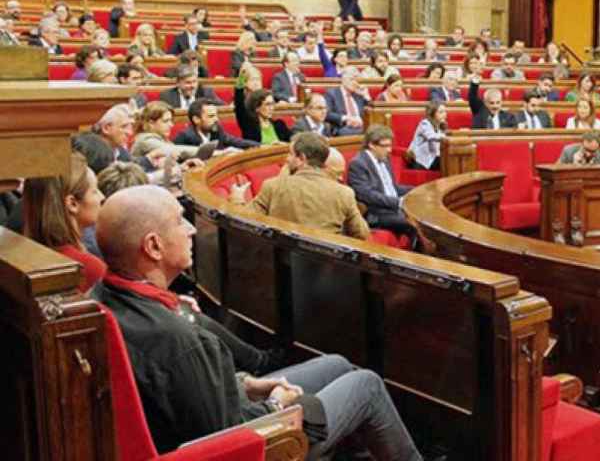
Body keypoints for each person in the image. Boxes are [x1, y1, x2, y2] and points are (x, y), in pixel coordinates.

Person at [94, 185, 421, 458]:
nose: (192, 229)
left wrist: (248, 384)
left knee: (336, 365)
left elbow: (192, 393)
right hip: (253, 442)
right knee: (366, 385)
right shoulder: (175, 338)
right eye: (180, 221)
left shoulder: (102, 296)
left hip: (228, 409)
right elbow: (221, 437)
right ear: (153, 246)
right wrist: (277, 403)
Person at [230, 132, 370, 239]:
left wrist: (237, 200)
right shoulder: (344, 193)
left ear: (301, 158)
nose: (287, 159)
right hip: (328, 270)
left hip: (281, 266)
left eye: (290, 154)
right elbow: (362, 233)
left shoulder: (272, 186)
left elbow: (243, 222)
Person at [22, 152, 106, 292]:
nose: (102, 197)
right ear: (72, 203)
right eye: (95, 191)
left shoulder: (22, 255)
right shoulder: (89, 268)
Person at [347, 126, 419, 245]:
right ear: (371, 145)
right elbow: (367, 196)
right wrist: (398, 202)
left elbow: (392, 187)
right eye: (385, 146)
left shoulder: (384, 159)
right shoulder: (358, 164)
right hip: (376, 213)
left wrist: (415, 191)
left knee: (423, 218)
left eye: (390, 145)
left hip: (392, 208)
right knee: (414, 224)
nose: (389, 150)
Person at [235, 64, 292, 145]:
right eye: (267, 104)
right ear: (257, 107)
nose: (271, 108)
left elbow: (293, 144)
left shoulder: (279, 125)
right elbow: (239, 102)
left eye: (272, 104)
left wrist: (283, 145)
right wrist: (241, 77)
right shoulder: (249, 125)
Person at [174, 98, 258, 149]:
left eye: (216, 115)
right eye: (211, 116)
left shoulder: (216, 129)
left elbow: (235, 141)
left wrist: (259, 145)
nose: (216, 119)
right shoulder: (185, 137)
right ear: (196, 119)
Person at [131, 101, 200, 161]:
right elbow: (173, 151)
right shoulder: (145, 139)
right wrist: (203, 150)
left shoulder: (160, 137)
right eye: (165, 121)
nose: (171, 125)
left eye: (171, 120)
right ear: (151, 123)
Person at [325, 70, 372, 135]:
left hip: (361, 126)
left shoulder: (358, 95)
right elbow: (327, 114)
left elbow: (371, 110)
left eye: (357, 80)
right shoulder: (332, 93)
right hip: (343, 126)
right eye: (352, 79)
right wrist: (346, 118)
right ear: (343, 80)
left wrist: (366, 95)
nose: (355, 83)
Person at [159, 66, 224, 110]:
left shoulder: (206, 92)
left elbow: (222, 107)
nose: (192, 86)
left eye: (194, 82)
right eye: (188, 82)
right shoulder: (167, 96)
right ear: (178, 83)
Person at [408, 101, 447, 171]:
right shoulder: (424, 124)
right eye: (441, 112)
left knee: (450, 159)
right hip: (421, 161)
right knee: (448, 162)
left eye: (445, 112)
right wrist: (447, 137)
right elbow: (431, 136)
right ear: (432, 113)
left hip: (433, 158)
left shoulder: (440, 125)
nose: (444, 114)